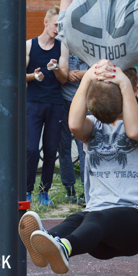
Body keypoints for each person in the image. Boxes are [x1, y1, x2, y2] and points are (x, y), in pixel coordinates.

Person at [18, 61, 138, 274]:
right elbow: (74, 124)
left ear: (134, 91)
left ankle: (64, 247)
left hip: (136, 223)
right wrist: (87, 79)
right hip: (96, 234)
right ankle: (47, 241)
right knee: (78, 218)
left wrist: (123, 82)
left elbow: (133, 130)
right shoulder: (93, 125)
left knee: (97, 217)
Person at [26, 6, 69, 206]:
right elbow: (17, 75)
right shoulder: (29, 45)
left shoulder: (62, 46)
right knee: (31, 148)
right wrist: (33, 76)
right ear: (45, 22)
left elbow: (64, 78)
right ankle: (26, 191)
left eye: (61, 26)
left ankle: (44, 191)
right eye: (55, 24)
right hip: (33, 102)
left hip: (54, 103)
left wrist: (56, 68)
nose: (57, 29)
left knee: (51, 150)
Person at [58, 49, 89, 204]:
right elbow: (57, 70)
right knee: (63, 146)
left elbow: (99, 67)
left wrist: (80, 74)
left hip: (85, 100)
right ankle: (69, 187)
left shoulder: (87, 40)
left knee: (84, 146)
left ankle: (86, 188)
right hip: (63, 99)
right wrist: (66, 74)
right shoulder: (60, 42)